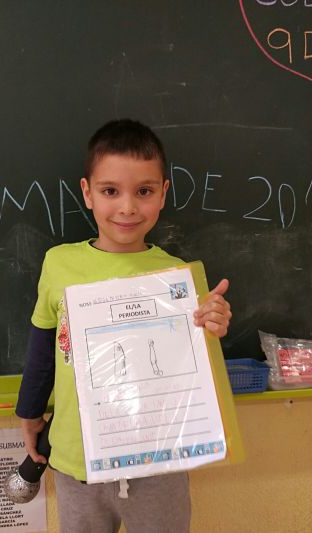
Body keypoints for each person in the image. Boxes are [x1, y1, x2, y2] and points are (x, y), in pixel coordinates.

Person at [16, 119, 232, 533]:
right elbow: (43, 345)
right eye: (110, 191)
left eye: (144, 191)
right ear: (87, 193)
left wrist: (212, 326)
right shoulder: (59, 264)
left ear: (163, 193)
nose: (128, 207)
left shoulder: (178, 275)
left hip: (159, 460)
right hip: (79, 458)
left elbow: (188, 374)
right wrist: (29, 414)